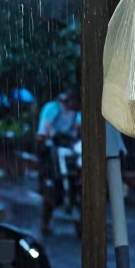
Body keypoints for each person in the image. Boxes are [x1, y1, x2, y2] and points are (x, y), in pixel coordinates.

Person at [37, 91, 81, 236]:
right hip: (52, 148)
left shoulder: (78, 113)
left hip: (70, 149)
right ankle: (45, 221)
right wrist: (44, 137)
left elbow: (79, 128)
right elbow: (44, 129)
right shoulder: (52, 108)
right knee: (51, 184)